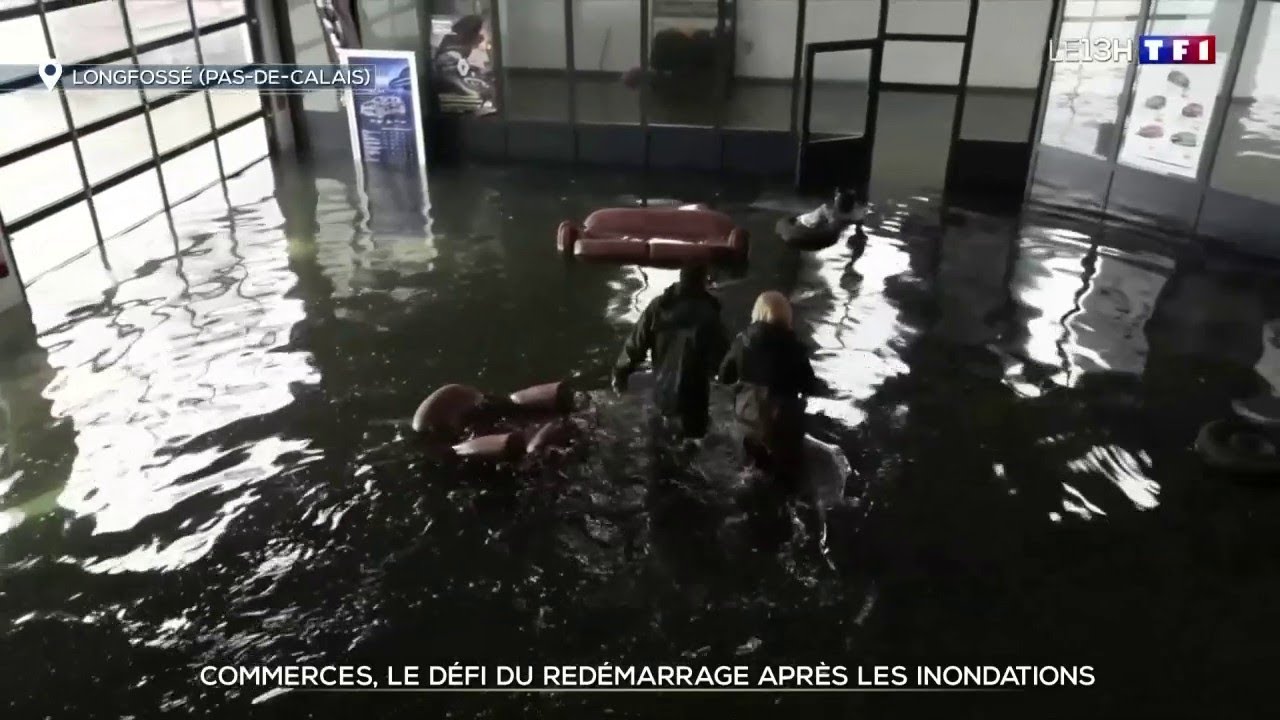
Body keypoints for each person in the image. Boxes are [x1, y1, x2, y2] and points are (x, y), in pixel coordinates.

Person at [612, 265, 729, 440]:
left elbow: (635, 345)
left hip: (663, 396)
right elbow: (722, 362)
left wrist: (620, 372)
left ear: (680, 278)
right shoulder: (710, 314)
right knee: (692, 447)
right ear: (704, 281)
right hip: (694, 402)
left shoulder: (658, 307)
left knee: (660, 447)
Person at [718, 291, 820, 489]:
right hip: (782, 424)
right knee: (786, 482)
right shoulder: (795, 348)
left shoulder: (742, 342)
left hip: (749, 420)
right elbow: (810, 386)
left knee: (750, 477)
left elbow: (724, 376)